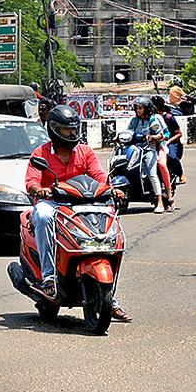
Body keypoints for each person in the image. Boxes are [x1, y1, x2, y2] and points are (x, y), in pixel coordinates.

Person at [25, 105, 131, 322]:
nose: (72, 133)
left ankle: (109, 296)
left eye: (74, 129)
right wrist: (39, 190)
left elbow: (99, 177)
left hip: (82, 203)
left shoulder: (85, 152)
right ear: (54, 129)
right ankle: (49, 278)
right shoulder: (41, 153)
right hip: (53, 203)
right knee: (43, 216)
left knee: (109, 215)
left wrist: (112, 188)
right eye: (67, 130)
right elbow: (31, 182)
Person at [127, 96, 171, 213]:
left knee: (152, 174)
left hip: (149, 149)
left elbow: (161, 134)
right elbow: (128, 132)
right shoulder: (134, 121)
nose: (138, 110)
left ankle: (160, 201)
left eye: (140, 108)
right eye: (137, 108)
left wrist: (155, 137)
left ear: (146, 109)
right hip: (135, 149)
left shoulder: (153, 120)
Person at [152, 95, 184, 194]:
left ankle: (180, 173)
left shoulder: (169, 117)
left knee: (171, 156)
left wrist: (168, 141)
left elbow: (179, 134)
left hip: (171, 142)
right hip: (157, 142)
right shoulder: (151, 118)